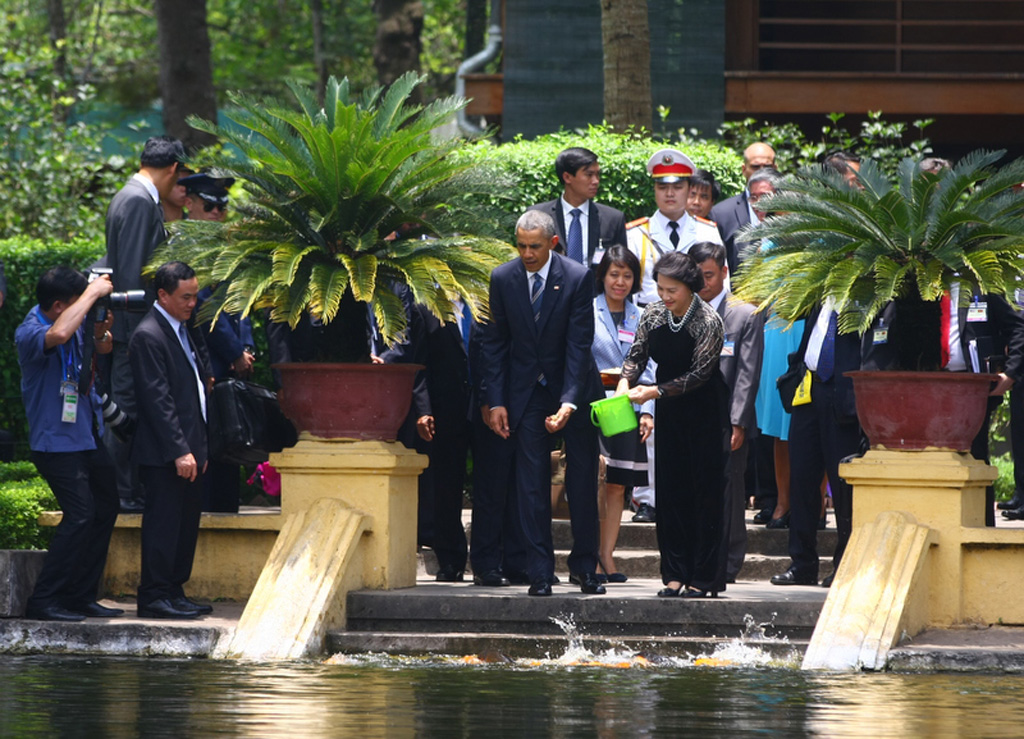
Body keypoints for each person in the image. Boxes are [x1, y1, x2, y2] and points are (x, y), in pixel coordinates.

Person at [481, 210, 605, 597]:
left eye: (534, 246)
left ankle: (585, 568)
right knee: (530, 484)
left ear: (551, 243)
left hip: (575, 388)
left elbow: (578, 344)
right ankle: (539, 571)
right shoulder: (503, 278)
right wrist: (495, 400)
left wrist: (569, 401)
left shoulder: (577, 276)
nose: (527, 253)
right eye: (520, 246)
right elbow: (495, 343)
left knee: (581, 480)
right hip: (525, 392)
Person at [618, 251, 730, 598]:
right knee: (670, 489)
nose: (665, 297)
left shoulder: (708, 321)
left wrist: (653, 391)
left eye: (672, 290)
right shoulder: (653, 314)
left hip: (704, 410)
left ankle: (704, 576)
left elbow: (699, 374)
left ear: (689, 287)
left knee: (705, 493)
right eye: (661, 289)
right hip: (670, 411)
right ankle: (674, 573)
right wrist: (625, 381)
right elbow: (636, 354)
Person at [15, 267, 122, 622]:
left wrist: (101, 331)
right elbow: (59, 334)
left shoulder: (72, 321)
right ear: (60, 304)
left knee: (107, 506)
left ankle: (80, 595)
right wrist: (92, 293)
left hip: (85, 436)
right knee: (79, 515)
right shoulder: (30, 331)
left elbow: (99, 347)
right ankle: (44, 600)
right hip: (54, 443)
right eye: (79, 301)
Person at [626, 148, 723, 526]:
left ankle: (682, 495)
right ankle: (648, 497)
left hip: (696, 334)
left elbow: (718, 286)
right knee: (649, 413)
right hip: (654, 332)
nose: (670, 193)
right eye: (662, 186)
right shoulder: (637, 233)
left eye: (678, 186)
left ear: (689, 189)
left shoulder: (708, 231)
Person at [104, 135, 187, 513]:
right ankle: (120, 492)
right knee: (127, 411)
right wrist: (149, 330)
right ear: (172, 169)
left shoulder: (131, 197)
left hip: (131, 326)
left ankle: (124, 490)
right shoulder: (138, 201)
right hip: (134, 328)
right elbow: (137, 273)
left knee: (129, 408)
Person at [130, 261, 212, 619]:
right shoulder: (149, 335)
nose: (192, 303)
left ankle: (174, 590)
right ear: (162, 295)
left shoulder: (183, 329)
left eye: (195, 296)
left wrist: (200, 448)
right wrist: (180, 450)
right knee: (163, 524)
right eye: (185, 297)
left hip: (190, 448)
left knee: (185, 524)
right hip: (165, 453)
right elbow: (157, 400)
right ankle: (154, 595)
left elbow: (194, 393)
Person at [690, 241, 764, 584]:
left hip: (726, 419)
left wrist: (738, 421)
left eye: (708, 275)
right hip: (691, 414)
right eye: (697, 276)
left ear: (723, 272)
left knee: (730, 491)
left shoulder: (743, 314)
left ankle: (730, 561)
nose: (703, 283)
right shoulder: (684, 311)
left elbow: (747, 373)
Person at [591, 246, 655, 582]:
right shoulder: (586, 312)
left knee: (618, 486)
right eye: (614, 274)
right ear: (602, 275)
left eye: (627, 275)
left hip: (630, 408)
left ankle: (607, 556)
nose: (620, 282)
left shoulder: (643, 316)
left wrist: (647, 410)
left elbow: (652, 366)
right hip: (595, 407)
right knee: (593, 483)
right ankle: (589, 556)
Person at [412, 298, 477, 582]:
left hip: (486, 406)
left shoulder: (486, 304)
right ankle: (450, 559)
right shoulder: (425, 307)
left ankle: (489, 561)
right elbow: (419, 364)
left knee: (490, 484)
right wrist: (423, 410)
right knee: (446, 486)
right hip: (444, 410)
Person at [527, 147, 628, 277]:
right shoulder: (538, 215)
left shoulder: (613, 219)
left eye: (598, 175)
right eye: (589, 175)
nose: (596, 181)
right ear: (567, 177)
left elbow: (623, 267)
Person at [710, 142, 776, 274]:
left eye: (767, 166)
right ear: (744, 170)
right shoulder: (721, 214)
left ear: (775, 168)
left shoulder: (791, 213)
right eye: (755, 167)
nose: (762, 171)